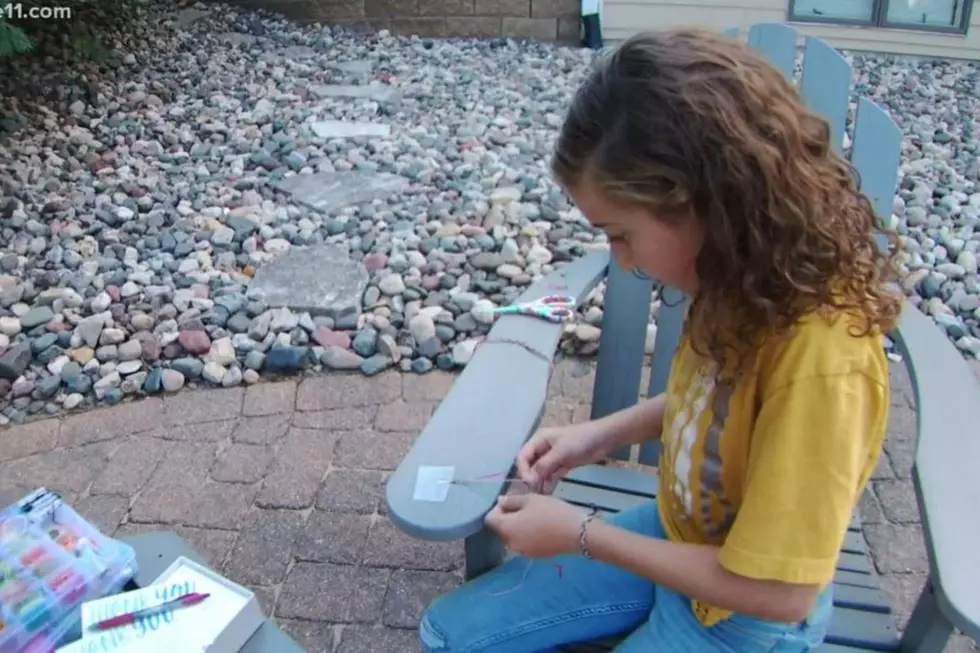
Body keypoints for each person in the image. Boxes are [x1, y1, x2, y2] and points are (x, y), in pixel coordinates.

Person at [418, 27, 904, 653]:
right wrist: (601, 434)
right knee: (446, 635)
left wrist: (583, 534)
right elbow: (719, 405)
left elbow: (779, 592)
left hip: (745, 617)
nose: (621, 262)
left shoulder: (823, 363)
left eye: (620, 234)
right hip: (678, 534)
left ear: (703, 202)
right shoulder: (742, 279)